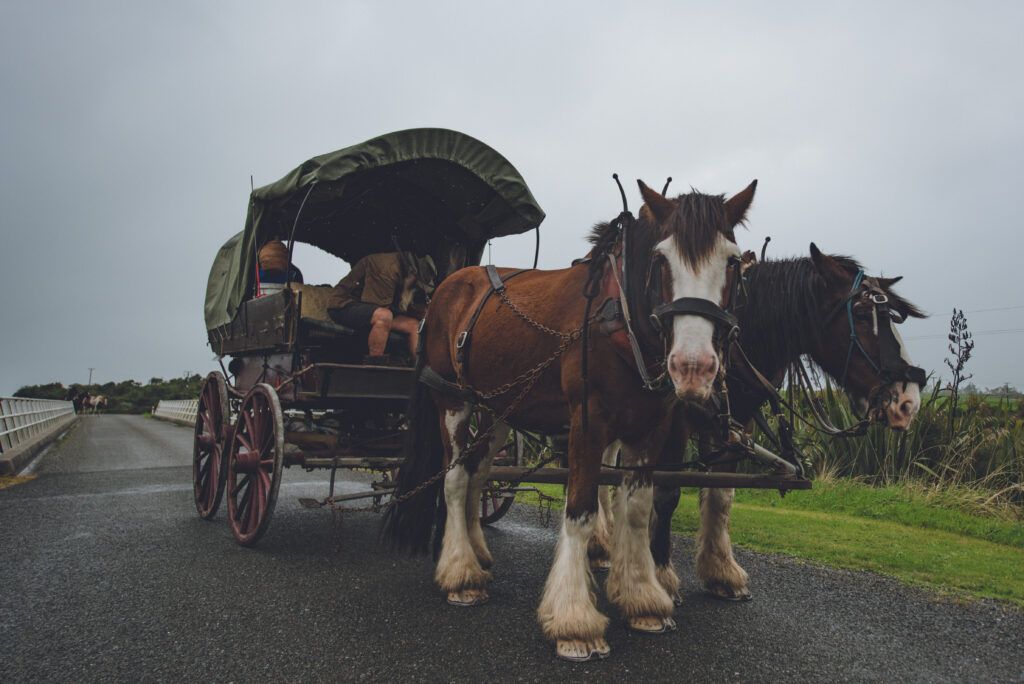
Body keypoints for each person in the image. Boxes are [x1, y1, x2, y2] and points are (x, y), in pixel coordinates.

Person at [326, 252, 435, 363]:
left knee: (414, 325)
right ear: (412, 276)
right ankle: (376, 364)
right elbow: (376, 306)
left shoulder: (402, 271)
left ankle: (419, 368)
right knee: (383, 316)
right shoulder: (387, 269)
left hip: (372, 307)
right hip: (344, 305)